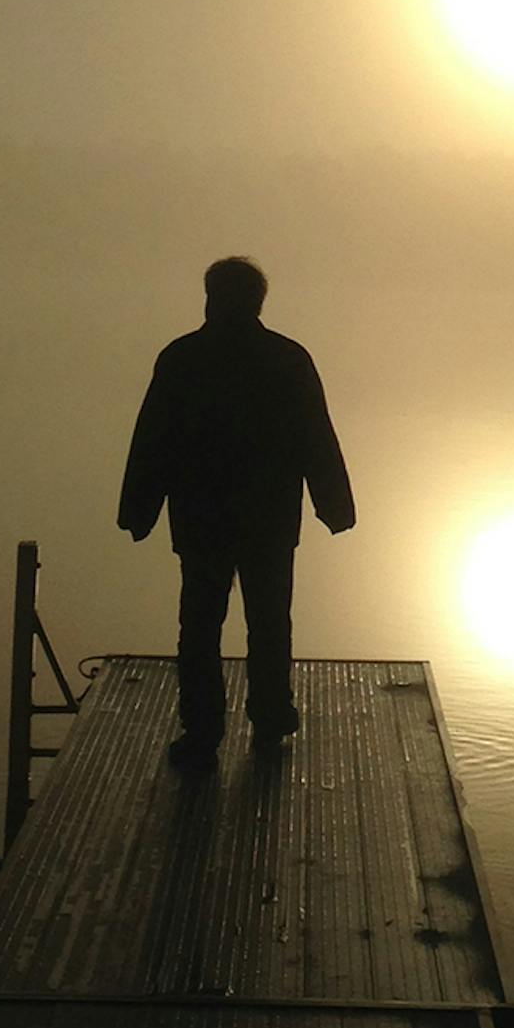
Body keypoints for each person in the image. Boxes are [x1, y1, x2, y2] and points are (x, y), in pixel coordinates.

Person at [116, 256, 355, 769]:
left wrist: (139, 508)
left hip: (202, 517)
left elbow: (153, 440)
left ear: (210, 297)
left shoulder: (181, 359)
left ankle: (202, 731)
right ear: (257, 302)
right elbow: (317, 437)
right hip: (268, 517)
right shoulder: (288, 359)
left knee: (199, 624)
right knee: (270, 621)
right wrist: (333, 504)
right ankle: (270, 717)